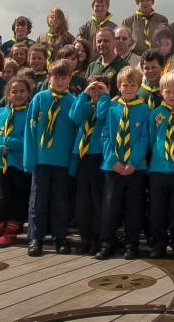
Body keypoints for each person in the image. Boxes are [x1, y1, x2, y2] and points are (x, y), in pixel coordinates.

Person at [23, 59, 79, 256]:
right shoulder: (39, 99)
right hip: (41, 159)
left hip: (62, 160)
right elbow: (30, 131)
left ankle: (60, 236)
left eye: (64, 78)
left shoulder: (73, 101)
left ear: (70, 79)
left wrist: (73, 162)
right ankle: (35, 238)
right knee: (37, 199)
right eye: (56, 78)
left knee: (60, 201)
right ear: (49, 79)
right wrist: (29, 158)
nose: (60, 82)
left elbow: (77, 134)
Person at [95, 66, 151, 260]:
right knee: (110, 206)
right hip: (113, 167)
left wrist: (133, 162)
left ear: (138, 86)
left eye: (133, 85)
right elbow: (105, 136)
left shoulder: (144, 109)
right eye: (125, 85)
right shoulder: (112, 109)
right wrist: (112, 161)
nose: (128, 89)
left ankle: (131, 243)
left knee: (134, 207)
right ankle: (107, 243)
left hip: (135, 168)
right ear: (118, 87)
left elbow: (144, 137)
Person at [0, 75, 33, 248]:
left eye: (22, 91)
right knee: (2, 196)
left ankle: (11, 231)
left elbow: (31, 138)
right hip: (0, 161)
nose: (18, 95)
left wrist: (12, 143)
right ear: (8, 94)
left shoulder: (30, 113)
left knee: (18, 196)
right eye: (14, 91)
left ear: (28, 93)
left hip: (19, 161)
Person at [148, 71, 174, 260]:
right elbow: (150, 140)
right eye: (167, 91)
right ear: (160, 92)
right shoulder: (155, 114)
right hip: (158, 169)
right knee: (157, 210)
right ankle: (158, 244)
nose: (172, 95)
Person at [70, 74, 110, 255]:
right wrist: (85, 95)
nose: (96, 92)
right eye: (93, 88)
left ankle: (98, 239)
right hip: (83, 156)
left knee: (97, 201)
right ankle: (85, 238)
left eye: (99, 88)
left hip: (99, 157)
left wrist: (105, 96)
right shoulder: (85, 105)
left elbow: (101, 115)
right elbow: (74, 116)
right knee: (82, 202)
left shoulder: (109, 105)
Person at [87, 27, 130, 93]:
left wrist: (108, 103)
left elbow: (122, 93)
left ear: (114, 42)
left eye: (106, 41)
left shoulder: (124, 66)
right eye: (99, 41)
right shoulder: (92, 66)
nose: (102, 44)